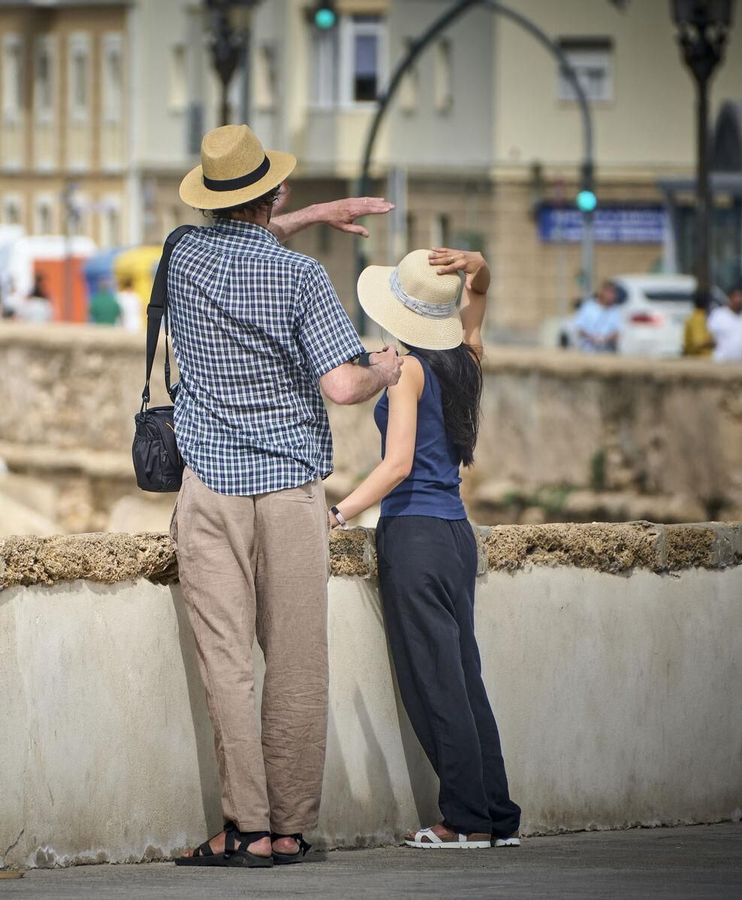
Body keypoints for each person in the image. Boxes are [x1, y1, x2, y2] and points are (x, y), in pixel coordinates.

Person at [168, 124, 401, 869]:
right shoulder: (301, 280)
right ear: (278, 194)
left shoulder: (180, 258)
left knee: (227, 663)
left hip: (209, 490)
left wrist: (290, 217)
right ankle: (293, 829)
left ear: (209, 196)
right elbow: (340, 384)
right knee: (297, 661)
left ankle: (245, 828)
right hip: (290, 491)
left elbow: (234, 237)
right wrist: (385, 369)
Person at [334, 246, 522, 851]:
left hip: (413, 534)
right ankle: (496, 816)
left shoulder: (411, 370)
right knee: (465, 677)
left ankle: (463, 819)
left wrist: (339, 512)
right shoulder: (467, 358)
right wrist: (478, 264)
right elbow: (481, 299)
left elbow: (397, 464)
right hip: (456, 535)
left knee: (434, 683)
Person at [709, 287, 742, 363]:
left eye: (741, 297)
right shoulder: (718, 315)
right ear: (730, 298)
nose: (739, 300)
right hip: (720, 364)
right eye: (736, 297)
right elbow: (709, 338)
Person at [571, 282, 621, 353]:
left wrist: (604, 339)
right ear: (603, 292)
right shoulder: (588, 307)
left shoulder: (615, 310)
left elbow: (617, 332)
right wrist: (592, 338)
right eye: (609, 293)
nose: (612, 296)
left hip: (606, 350)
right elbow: (579, 328)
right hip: (587, 349)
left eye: (614, 293)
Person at [682, 290, 715, 358]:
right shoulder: (699, 318)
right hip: (699, 360)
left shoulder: (693, 317)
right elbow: (698, 342)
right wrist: (714, 343)